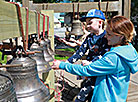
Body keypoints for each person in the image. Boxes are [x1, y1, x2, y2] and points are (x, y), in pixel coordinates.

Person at [52, 16, 138, 102]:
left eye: (109, 34)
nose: (105, 36)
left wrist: (62, 65)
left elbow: (86, 70)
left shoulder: (114, 58)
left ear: (121, 37)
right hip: (118, 97)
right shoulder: (129, 50)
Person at [66, 9, 110, 102]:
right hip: (88, 68)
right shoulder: (89, 37)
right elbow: (81, 52)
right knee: (85, 85)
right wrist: (68, 61)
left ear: (100, 22)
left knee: (85, 91)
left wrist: (91, 62)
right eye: (87, 23)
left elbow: (105, 54)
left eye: (90, 23)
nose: (87, 26)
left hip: (98, 69)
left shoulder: (106, 37)